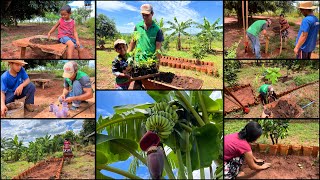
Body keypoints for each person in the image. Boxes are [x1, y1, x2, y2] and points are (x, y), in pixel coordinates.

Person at [127, 4, 164, 89]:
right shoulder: (137, 27)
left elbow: (158, 49)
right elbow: (133, 42)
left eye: (147, 15)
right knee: (137, 85)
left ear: (152, 14)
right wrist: (127, 56)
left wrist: (157, 65)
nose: (145, 17)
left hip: (149, 63)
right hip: (138, 61)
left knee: (149, 85)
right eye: (143, 15)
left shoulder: (158, 30)